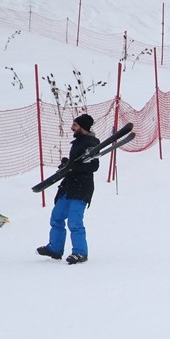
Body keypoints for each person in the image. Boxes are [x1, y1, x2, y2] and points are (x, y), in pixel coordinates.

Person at [37, 113, 100, 264]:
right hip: (69, 186)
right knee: (57, 217)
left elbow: (93, 165)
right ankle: (55, 248)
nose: (72, 127)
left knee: (74, 221)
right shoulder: (78, 142)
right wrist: (67, 164)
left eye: (75, 125)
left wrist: (74, 166)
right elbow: (75, 164)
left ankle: (80, 252)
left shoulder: (91, 143)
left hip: (81, 188)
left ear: (83, 128)